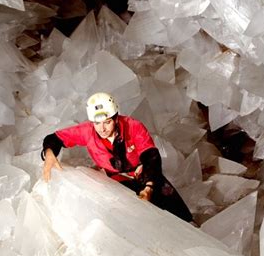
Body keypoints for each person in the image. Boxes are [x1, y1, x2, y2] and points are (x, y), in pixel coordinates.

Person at [41, 92, 193, 223]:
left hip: (146, 172)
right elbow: (55, 138)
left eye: (107, 122)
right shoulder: (88, 131)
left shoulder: (133, 126)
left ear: (115, 118)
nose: (102, 128)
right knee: (141, 220)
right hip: (117, 181)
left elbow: (150, 156)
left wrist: (149, 187)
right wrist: (49, 152)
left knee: (178, 213)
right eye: (97, 123)